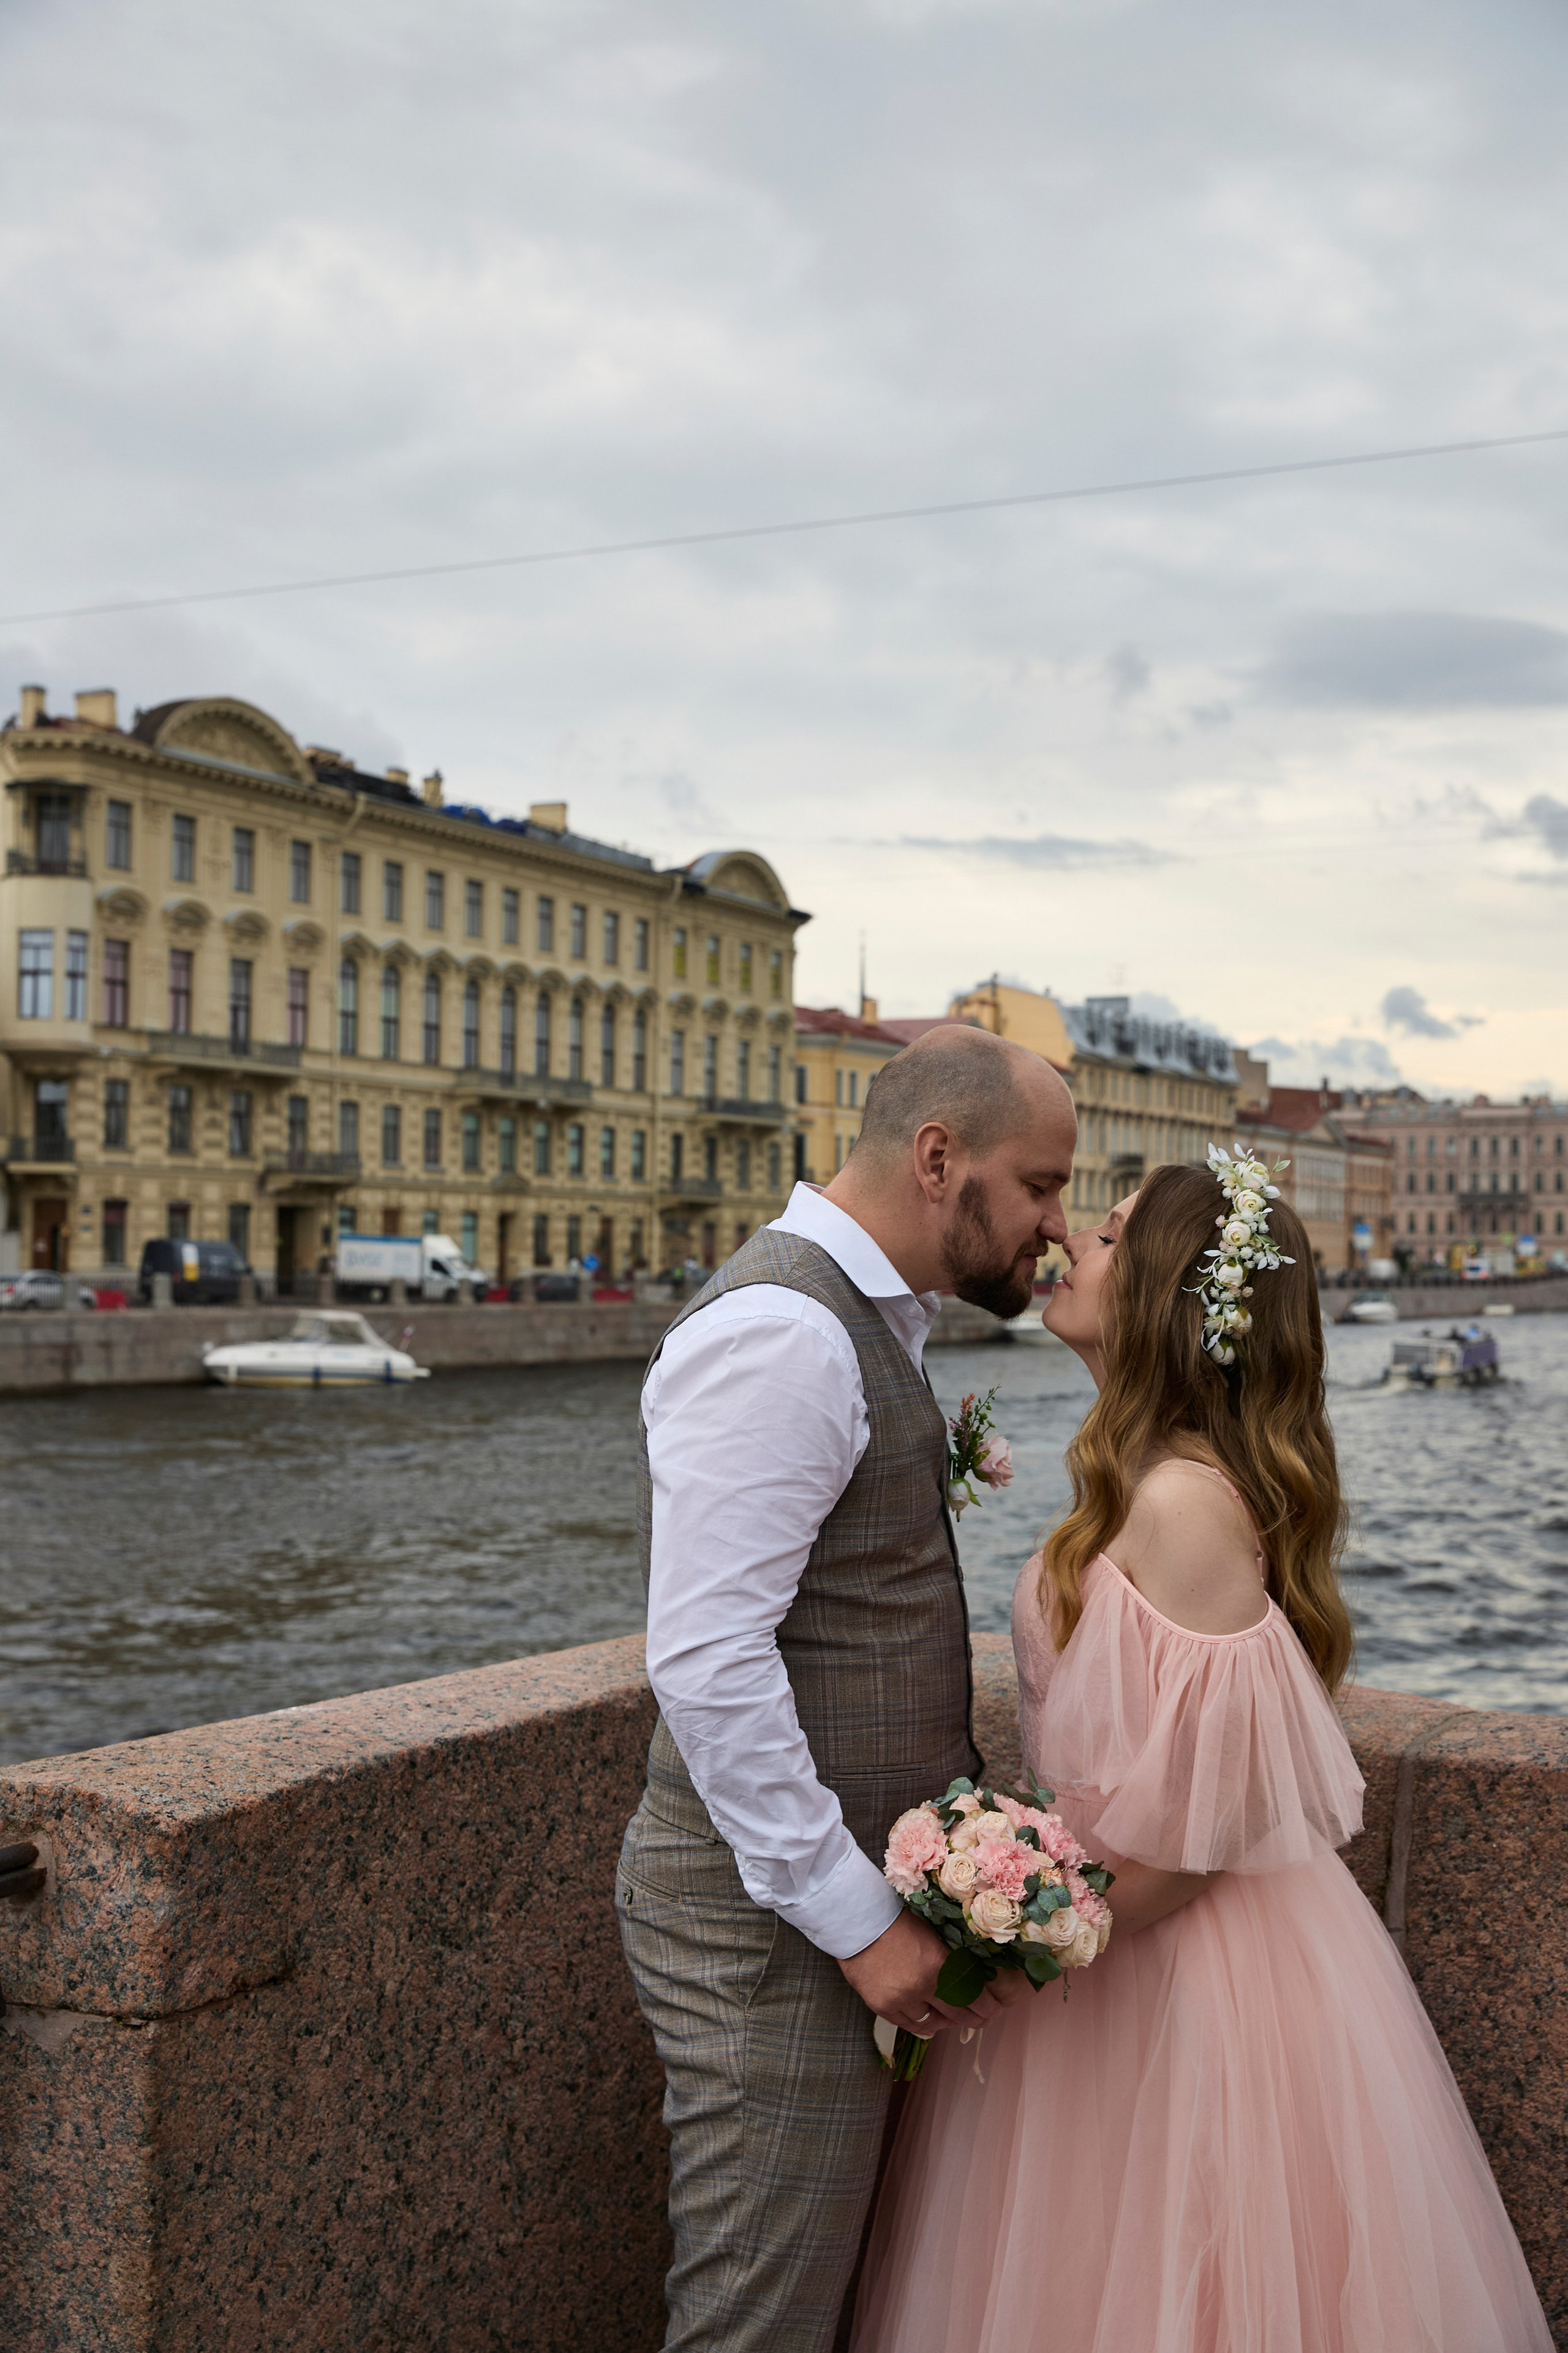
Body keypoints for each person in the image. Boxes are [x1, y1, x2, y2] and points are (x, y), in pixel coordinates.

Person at [851, 1161, 1552, 2353]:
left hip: (1176, 1965)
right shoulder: (1139, 1478)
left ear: (1168, 1296)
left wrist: (1020, 1939)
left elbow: (1199, 1834)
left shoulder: (1182, 1504)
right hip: (1106, 1928)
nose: (1072, 1240)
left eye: (1109, 1234)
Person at [617, 1026, 1078, 2353]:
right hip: (773, 1939)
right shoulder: (783, 1332)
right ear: (938, 1158)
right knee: (757, 2321)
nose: (1057, 1225)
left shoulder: (855, 1316)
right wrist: (858, 1922)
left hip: (817, 1922)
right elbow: (708, 1660)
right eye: (1040, 1184)